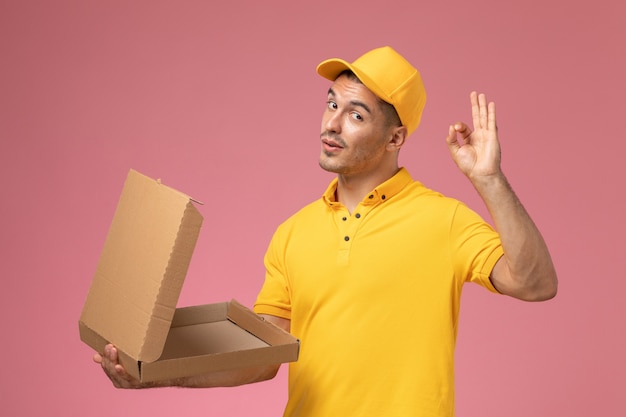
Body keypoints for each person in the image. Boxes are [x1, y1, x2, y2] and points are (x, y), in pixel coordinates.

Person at [94, 46, 558, 416]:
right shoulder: (292, 233)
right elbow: (262, 357)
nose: (331, 124)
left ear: (395, 138)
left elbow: (536, 284)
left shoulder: (446, 220)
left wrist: (489, 181)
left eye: (356, 114)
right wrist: (152, 373)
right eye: (332, 104)